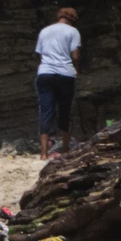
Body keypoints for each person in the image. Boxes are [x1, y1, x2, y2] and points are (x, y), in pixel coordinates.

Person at [35, 8, 81, 160]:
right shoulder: (73, 31)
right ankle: (66, 150)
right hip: (65, 75)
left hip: (45, 74)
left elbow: (41, 54)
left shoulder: (44, 31)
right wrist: (74, 67)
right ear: (72, 20)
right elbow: (75, 56)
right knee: (65, 111)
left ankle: (43, 154)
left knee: (45, 110)